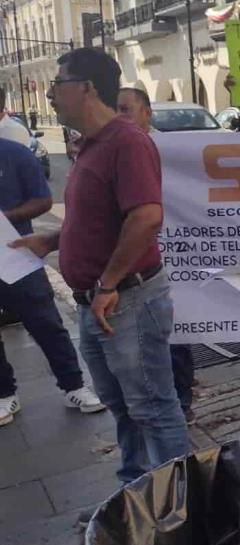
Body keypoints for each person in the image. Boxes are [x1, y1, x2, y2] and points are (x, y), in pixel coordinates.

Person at [12, 48, 189, 484]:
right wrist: (52, 240)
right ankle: (135, 491)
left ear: (87, 88)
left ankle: (183, 505)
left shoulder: (126, 141)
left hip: (125, 301)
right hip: (99, 302)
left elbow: (146, 217)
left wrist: (108, 283)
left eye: (58, 84)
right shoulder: (91, 146)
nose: (50, 94)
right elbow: (100, 219)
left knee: (153, 407)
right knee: (123, 405)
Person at [0, 136, 105, 427]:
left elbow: (43, 200)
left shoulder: (15, 153)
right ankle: (5, 394)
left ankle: (73, 386)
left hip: (16, 255)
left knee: (46, 323)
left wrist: (4, 217)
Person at [116, 86, 197, 424]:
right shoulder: (115, 150)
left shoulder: (173, 148)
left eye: (127, 109)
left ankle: (182, 400)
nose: (121, 117)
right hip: (143, 260)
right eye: (116, 110)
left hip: (177, 255)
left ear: (147, 113)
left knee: (180, 331)